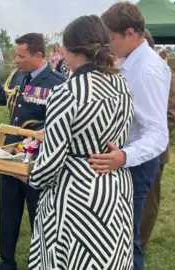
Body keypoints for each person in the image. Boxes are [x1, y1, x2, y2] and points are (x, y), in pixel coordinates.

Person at [25, 15, 134, 269]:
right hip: (113, 186)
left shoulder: (67, 93)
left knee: (72, 259)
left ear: (70, 50)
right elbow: (122, 134)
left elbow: (51, 160)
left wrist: (30, 176)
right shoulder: (121, 85)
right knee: (109, 258)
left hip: (76, 194)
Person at [90, 3, 171, 269]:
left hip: (133, 163)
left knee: (126, 241)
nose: (108, 46)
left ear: (130, 33)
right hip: (122, 159)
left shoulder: (146, 70)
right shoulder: (129, 61)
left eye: (111, 39)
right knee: (115, 237)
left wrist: (124, 156)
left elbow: (158, 134)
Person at [0, 33, 65, 270]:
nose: (15, 60)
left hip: (38, 161)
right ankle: (7, 260)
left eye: (20, 55)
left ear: (38, 55)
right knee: (7, 210)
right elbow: (2, 100)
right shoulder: (19, 76)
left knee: (38, 212)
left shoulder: (57, 82)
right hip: (10, 154)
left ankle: (37, 260)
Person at [140, 30, 175, 250]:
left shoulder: (166, 74)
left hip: (153, 150)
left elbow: (172, 115)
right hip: (126, 151)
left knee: (148, 201)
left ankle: (139, 244)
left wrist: (144, 142)